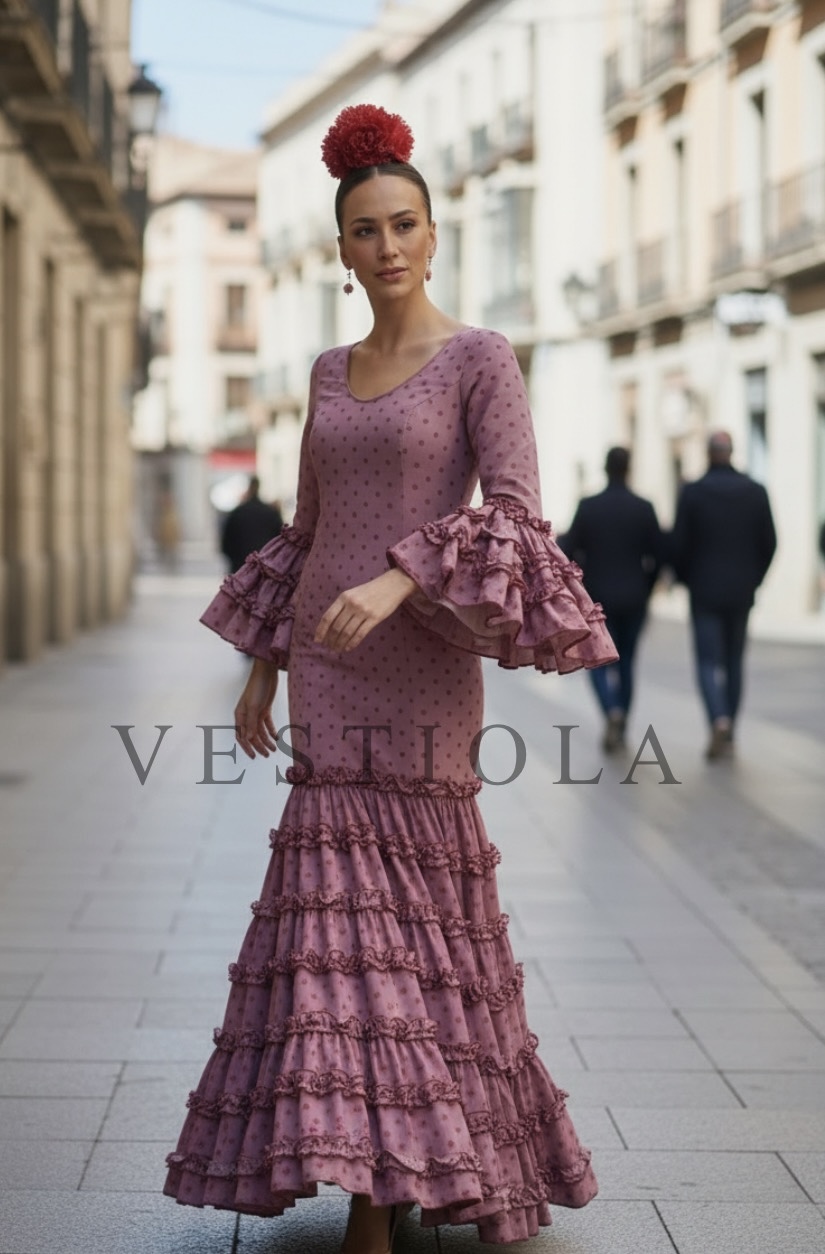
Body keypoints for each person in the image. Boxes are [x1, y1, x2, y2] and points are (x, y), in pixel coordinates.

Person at [163, 104, 616, 1252]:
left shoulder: (479, 360)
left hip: (418, 673)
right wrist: (265, 665)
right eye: (364, 231)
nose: (388, 248)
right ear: (342, 250)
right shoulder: (325, 368)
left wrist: (403, 583)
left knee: (415, 919)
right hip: (323, 664)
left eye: (404, 224)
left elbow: (513, 516)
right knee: (334, 924)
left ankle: (399, 1184)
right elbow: (309, 526)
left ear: (433, 229)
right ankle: (368, 1172)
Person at [670, 430, 776, 760]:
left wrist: (687, 579)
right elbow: (770, 542)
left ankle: (718, 719)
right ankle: (729, 731)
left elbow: (678, 544)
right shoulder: (755, 491)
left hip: (704, 591)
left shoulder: (693, 493)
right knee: (733, 661)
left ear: (708, 453)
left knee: (706, 661)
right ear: (731, 452)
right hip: (741, 592)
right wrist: (754, 579)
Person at [560, 447, 663, 752]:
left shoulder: (589, 507)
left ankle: (611, 710)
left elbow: (567, 549)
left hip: (597, 599)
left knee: (597, 661)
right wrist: (647, 586)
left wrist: (580, 580)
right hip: (634, 597)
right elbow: (659, 554)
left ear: (605, 469)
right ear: (629, 468)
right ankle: (622, 716)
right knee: (628, 660)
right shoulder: (643, 508)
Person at [220, 475, 284, 573]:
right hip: (265, 566)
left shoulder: (238, 512)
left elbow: (226, 543)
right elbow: (279, 540)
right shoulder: (270, 513)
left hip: (241, 566)